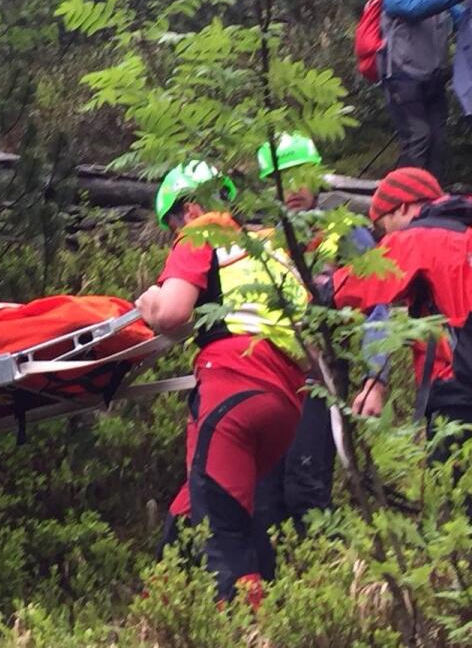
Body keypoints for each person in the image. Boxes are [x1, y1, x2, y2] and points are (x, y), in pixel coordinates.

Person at [139, 161, 309, 606]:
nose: (175, 235)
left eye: (173, 225)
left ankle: (248, 626)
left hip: (232, 388)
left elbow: (173, 315)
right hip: (287, 401)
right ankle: (158, 607)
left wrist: (149, 302)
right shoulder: (270, 247)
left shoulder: (202, 234)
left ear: (190, 210)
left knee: (222, 532)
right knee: (198, 500)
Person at [251, 135, 391, 558]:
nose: (292, 188)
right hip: (271, 377)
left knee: (305, 486)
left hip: (322, 375)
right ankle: (279, 588)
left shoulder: (344, 233)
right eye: (281, 178)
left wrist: (376, 377)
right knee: (266, 496)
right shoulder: (264, 242)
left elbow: (378, 304)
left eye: (300, 176)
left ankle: (330, 573)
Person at [333, 167, 472, 461]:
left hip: (458, 389)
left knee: (454, 480)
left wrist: (313, 291)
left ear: (403, 207)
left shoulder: (419, 237)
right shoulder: (464, 230)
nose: (384, 236)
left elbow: (355, 286)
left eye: (383, 226)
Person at [378, 0, 472, 181]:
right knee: (418, 137)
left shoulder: (442, 0)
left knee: (438, 141)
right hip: (402, 80)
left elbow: (464, 21)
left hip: (433, 82)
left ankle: (432, 194)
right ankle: (404, 194)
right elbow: (414, 9)